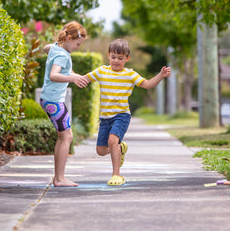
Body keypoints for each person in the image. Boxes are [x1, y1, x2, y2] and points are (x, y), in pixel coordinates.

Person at [82, 38, 171, 186]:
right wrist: (70, 75)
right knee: (101, 150)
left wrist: (160, 75)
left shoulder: (130, 74)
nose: (116, 61)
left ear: (127, 58)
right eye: (113, 57)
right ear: (108, 55)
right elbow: (84, 79)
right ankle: (120, 148)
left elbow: (147, 84)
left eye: (120, 58)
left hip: (121, 115)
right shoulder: (102, 71)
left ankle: (116, 175)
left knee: (112, 141)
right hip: (105, 117)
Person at [40, 21, 89, 187]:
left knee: (64, 137)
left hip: (48, 99)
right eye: (77, 43)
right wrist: (72, 78)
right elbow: (54, 75)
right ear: (68, 38)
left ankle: (58, 177)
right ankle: (60, 179)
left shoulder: (56, 48)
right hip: (54, 100)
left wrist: (72, 73)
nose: (78, 47)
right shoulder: (62, 55)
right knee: (66, 137)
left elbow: (46, 48)